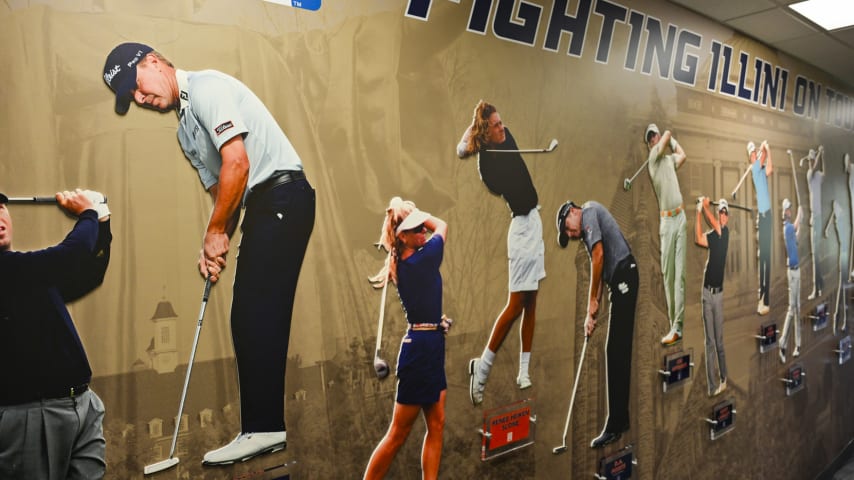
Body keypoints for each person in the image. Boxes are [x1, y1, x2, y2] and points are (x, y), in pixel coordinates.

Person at [103, 42, 316, 464]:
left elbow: (237, 164)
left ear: (154, 61)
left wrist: (216, 231)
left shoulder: (206, 88)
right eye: (133, 97)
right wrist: (215, 243)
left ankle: (264, 428)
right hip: (263, 204)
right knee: (246, 314)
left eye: (138, 86)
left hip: (283, 194)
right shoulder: (185, 131)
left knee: (256, 310)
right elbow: (224, 192)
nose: (141, 99)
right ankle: (262, 427)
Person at [0, 189, 112, 480]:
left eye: (1, 207)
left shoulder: (29, 275)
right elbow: (69, 257)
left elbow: (88, 272)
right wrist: (87, 213)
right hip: (28, 415)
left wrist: (102, 219)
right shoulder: (15, 271)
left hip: (81, 404)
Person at [457, 100, 545, 406]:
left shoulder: (508, 136)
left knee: (532, 300)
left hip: (535, 221)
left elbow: (478, 130)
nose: (502, 127)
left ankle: (523, 371)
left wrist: (477, 132)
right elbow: (465, 149)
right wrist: (470, 144)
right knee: (515, 304)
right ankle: (481, 369)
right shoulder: (487, 167)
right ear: (486, 133)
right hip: (520, 229)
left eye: (500, 121)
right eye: (495, 125)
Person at [363, 197, 449, 480]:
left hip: (431, 342)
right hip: (420, 352)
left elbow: (424, 304)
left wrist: (437, 323)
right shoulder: (422, 259)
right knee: (398, 434)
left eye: (423, 227)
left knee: (436, 424)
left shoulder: (409, 257)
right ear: (403, 236)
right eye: (417, 228)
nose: (424, 231)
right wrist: (424, 214)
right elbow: (443, 225)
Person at [556, 200, 638, 449]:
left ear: (572, 212)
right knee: (617, 351)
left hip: (625, 275)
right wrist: (590, 315)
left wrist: (593, 300)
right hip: (620, 279)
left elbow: (599, 256)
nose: (570, 235)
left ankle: (615, 424)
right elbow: (599, 270)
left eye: (567, 229)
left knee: (616, 351)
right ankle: (620, 421)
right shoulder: (587, 233)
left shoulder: (589, 211)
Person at [644, 123, 687, 346]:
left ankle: (677, 326)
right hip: (667, 222)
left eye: (655, 136)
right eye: (650, 138)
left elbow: (682, 155)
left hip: (680, 218)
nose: (653, 139)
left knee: (679, 276)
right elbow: (666, 137)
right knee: (668, 276)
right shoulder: (653, 159)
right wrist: (667, 136)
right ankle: (673, 324)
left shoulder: (669, 161)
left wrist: (671, 141)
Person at [694, 197, 730, 396]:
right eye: (721, 212)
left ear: (727, 217)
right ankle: (711, 386)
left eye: (726, 213)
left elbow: (715, 226)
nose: (723, 215)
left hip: (719, 296)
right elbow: (698, 238)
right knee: (709, 342)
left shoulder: (725, 233)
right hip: (707, 293)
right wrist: (698, 212)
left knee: (719, 342)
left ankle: (724, 377)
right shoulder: (713, 235)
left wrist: (705, 205)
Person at [748, 140, 773, 314]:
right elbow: (762, 159)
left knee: (766, 259)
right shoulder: (755, 169)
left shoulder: (761, 169)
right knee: (763, 259)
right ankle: (762, 297)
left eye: (753, 152)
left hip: (768, 216)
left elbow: (770, 167)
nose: (753, 154)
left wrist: (767, 149)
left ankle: (765, 298)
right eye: (751, 153)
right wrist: (764, 148)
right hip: (764, 218)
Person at [779, 198, 803, 363]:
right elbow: (794, 227)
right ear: (784, 212)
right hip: (792, 273)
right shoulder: (786, 228)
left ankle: (798, 344)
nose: (789, 211)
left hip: (798, 270)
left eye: (790, 209)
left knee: (798, 307)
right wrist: (801, 211)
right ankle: (782, 342)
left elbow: (797, 239)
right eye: (788, 209)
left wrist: (800, 222)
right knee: (792, 308)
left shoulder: (791, 230)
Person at [806, 146, 825, 300]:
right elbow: (814, 171)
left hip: (819, 218)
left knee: (817, 255)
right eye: (810, 160)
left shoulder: (818, 175)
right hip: (814, 218)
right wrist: (819, 153)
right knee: (814, 256)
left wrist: (822, 156)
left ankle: (819, 286)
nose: (810, 163)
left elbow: (825, 174)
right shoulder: (810, 175)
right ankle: (817, 286)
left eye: (812, 160)